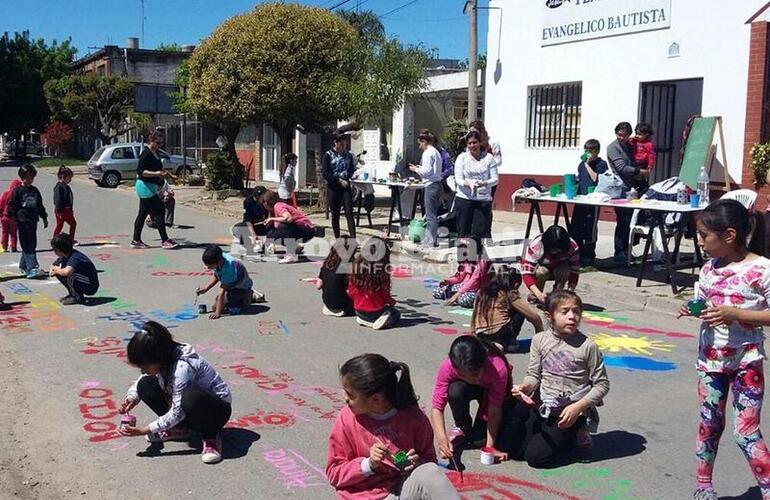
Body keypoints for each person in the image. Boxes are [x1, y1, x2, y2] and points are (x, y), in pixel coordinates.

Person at [677, 199, 770, 500]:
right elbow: (705, 303)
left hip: (748, 362)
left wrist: (736, 314)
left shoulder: (762, 269)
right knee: (709, 423)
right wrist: (693, 308)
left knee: (745, 432)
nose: (701, 242)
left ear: (729, 235)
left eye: (705, 236)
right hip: (711, 362)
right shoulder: (708, 269)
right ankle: (704, 485)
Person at [326, 354, 460, 499]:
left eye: (350, 395)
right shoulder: (347, 419)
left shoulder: (414, 418)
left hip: (399, 490)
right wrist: (368, 464)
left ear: (376, 399)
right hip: (362, 496)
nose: (345, 398)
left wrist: (418, 463)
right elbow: (334, 473)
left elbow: (429, 460)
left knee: (430, 471)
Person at [508, 290, 609, 468]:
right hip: (544, 404)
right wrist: (525, 387)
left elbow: (602, 385)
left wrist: (578, 407)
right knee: (514, 450)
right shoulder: (539, 340)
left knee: (536, 458)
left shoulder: (587, 346)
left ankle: (578, 432)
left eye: (576, 311)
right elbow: (533, 374)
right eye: (565, 311)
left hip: (568, 411)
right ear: (549, 316)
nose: (572, 316)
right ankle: (555, 434)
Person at [118, 321, 232, 464]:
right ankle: (179, 429)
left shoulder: (183, 367)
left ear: (158, 358)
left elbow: (177, 411)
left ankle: (210, 436)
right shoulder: (165, 356)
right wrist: (133, 398)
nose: (142, 370)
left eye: (144, 366)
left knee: (190, 397)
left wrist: (144, 430)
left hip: (216, 411)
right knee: (145, 384)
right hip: (187, 406)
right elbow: (143, 377)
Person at [431, 335, 512, 467]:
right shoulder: (448, 366)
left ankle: (479, 429)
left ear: (484, 362)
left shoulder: (498, 368)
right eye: (462, 375)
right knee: (455, 390)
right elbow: (437, 407)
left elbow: (495, 409)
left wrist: (490, 447)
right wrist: (442, 439)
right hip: (465, 389)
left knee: (480, 441)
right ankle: (463, 426)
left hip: (488, 392)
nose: (470, 378)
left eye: (474, 374)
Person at [471, 265, 544, 353]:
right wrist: (540, 339)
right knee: (520, 311)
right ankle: (508, 344)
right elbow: (535, 318)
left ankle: (493, 344)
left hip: (480, 334)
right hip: (500, 333)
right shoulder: (509, 293)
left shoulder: (482, 291)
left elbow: (474, 314)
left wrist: (474, 334)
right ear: (516, 284)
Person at [607, 122, 647, 263]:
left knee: (630, 220)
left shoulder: (629, 146)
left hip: (630, 188)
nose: (621, 138)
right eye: (619, 135)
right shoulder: (613, 148)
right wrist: (639, 171)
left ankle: (627, 250)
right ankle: (619, 252)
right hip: (619, 189)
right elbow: (622, 167)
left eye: (624, 135)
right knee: (622, 220)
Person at [131, 131, 178, 250]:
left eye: (161, 143)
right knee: (160, 210)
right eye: (157, 142)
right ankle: (164, 240)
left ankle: (136, 240)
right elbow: (141, 172)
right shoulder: (146, 153)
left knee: (142, 214)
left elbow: (160, 170)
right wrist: (156, 173)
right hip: (144, 186)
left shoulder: (155, 153)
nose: (159, 145)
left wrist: (170, 176)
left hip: (151, 187)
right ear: (151, 140)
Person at [454, 130, 498, 251]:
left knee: (478, 231)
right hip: (464, 198)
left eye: (475, 142)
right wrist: (468, 184)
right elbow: (458, 178)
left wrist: (484, 183)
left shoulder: (488, 158)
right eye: (470, 143)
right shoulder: (462, 158)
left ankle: (476, 260)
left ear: (480, 143)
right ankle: (463, 261)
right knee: (463, 232)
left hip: (482, 199)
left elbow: (495, 179)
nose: (472, 145)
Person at [568, 139, 608, 266]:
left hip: (593, 199)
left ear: (596, 151)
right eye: (586, 150)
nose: (588, 153)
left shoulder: (601, 164)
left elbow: (597, 179)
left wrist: (588, 165)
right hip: (581, 199)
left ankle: (589, 255)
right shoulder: (581, 165)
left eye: (590, 151)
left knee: (590, 227)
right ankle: (577, 252)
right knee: (576, 225)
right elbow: (581, 179)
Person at [348, 236, 400, 330]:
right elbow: (385, 295)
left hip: (358, 310)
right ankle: (382, 320)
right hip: (376, 311)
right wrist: (391, 302)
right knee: (396, 314)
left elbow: (351, 290)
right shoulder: (382, 272)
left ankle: (365, 319)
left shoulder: (356, 267)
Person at [521, 225, 580, 305]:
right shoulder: (536, 245)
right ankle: (535, 294)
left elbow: (574, 271)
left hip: (559, 268)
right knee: (542, 272)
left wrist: (570, 291)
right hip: (540, 269)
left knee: (565, 270)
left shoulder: (572, 247)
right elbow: (526, 273)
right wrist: (539, 295)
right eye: (553, 249)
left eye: (559, 249)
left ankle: (557, 295)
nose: (556, 251)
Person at [7, 164, 48, 278]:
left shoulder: (34, 190)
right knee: (28, 245)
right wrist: (14, 219)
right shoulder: (18, 191)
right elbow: (11, 206)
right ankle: (32, 268)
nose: (30, 180)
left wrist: (44, 217)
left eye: (32, 177)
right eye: (28, 177)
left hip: (32, 221)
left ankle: (24, 265)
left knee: (31, 244)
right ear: (22, 177)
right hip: (22, 222)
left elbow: (39, 205)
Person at [196, 245, 257, 320]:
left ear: (217, 263)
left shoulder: (228, 268)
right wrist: (205, 288)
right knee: (218, 304)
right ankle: (244, 297)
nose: (208, 268)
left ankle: (248, 295)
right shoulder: (219, 257)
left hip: (241, 287)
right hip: (232, 285)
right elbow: (217, 275)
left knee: (228, 305)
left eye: (210, 266)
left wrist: (218, 313)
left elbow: (222, 291)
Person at [408, 129, 444, 249]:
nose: (419, 146)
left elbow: (427, 171)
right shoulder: (436, 152)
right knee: (432, 214)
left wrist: (416, 169)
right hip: (437, 183)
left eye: (420, 143)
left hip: (431, 185)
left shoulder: (428, 153)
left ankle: (430, 241)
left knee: (430, 215)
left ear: (424, 141)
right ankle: (431, 239)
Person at [261, 190, 315, 264]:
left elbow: (288, 218)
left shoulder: (278, 205)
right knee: (272, 234)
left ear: (267, 202)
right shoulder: (274, 211)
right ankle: (296, 247)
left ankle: (291, 254)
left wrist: (272, 219)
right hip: (299, 230)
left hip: (305, 229)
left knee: (284, 227)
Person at [323, 133, 357, 239]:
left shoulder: (349, 155)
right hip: (333, 187)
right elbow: (326, 173)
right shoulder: (328, 155)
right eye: (341, 144)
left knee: (349, 213)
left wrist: (353, 175)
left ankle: (353, 238)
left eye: (344, 145)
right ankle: (337, 238)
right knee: (335, 214)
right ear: (336, 143)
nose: (343, 147)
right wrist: (338, 180)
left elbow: (350, 170)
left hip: (345, 188)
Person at [48, 234, 99, 305]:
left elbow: (66, 272)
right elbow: (53, 265)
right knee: (60, 272)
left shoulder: (75, 257)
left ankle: (77, 297)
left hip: (91, 285)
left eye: (55, 249)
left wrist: (56, 270)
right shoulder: (65, 255)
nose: (54, 251)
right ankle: (73, 294)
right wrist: (53, 270)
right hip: (82, 280)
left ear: (60, 250)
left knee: (69, 275)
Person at [317, 236, 357, 317]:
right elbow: (350, 289)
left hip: (327, 302)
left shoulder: (327, 263)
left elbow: (318, 285)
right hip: (343, 304)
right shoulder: (347, 266)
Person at [52, 165, 77, 243]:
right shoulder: (59, 187)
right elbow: (57, 199)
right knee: (60, 225)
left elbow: (69, 199)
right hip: (61, 210)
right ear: (63, 177)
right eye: (69, 178)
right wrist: (59, 210)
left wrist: (70, 209)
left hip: (67, 210)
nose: (70, 180)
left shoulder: (66, 186)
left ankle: (70, 239)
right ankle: (55, 240)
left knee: (72, 224)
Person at [243, 185, 268, 253]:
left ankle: (264, 242)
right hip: (253, 224)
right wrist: (253, 233)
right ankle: (251, 241)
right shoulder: (248, 201)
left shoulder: (267, 201)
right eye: (257, 197)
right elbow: (247, 219)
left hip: (263, 224)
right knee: (238, 228)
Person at [0, 179, 21, 252]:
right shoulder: (18, 195)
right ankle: (13, 247)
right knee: (13, 233)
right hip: (13, 217)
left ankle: (4, 247)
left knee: (4, 232)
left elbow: (1, 205)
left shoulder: (6, 194)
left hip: (5, 217)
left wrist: (1, 215)